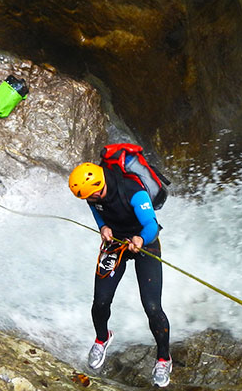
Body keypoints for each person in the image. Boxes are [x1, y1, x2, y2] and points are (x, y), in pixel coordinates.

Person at [68, 162, 172, 388]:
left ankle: (164, 358)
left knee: (152, 307)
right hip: (115, 243)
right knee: (101, 301)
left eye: (89, 197)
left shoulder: (133, 191)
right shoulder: (91, 194)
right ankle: (102, 338)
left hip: (144, 243)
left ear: (98, 188)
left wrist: (141, 240)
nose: (89, 200)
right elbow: (98, 212)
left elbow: (151, 225)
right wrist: (103, 227)